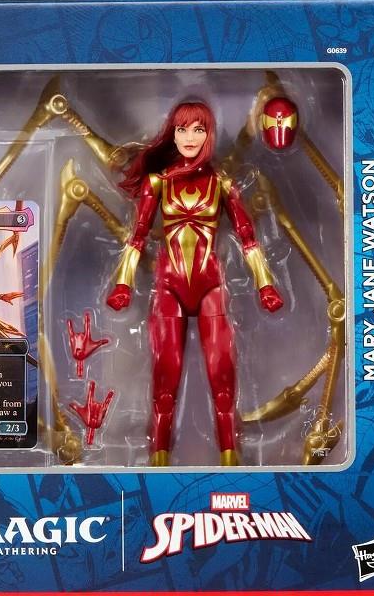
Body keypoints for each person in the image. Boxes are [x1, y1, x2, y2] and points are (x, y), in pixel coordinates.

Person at [107, 101, 283, 467]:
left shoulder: (222, 184)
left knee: (223, 383)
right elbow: (136, 238)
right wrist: (123, 283)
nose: (190, 137)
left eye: (198, 129)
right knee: (165, 383)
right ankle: (158, 463)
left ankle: (231, 460)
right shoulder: (158, 184)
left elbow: (248, 238)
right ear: (172, 134)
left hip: (210, 289)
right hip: (168, 290)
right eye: (182, 129)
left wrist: (265, 285)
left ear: (209, 135)